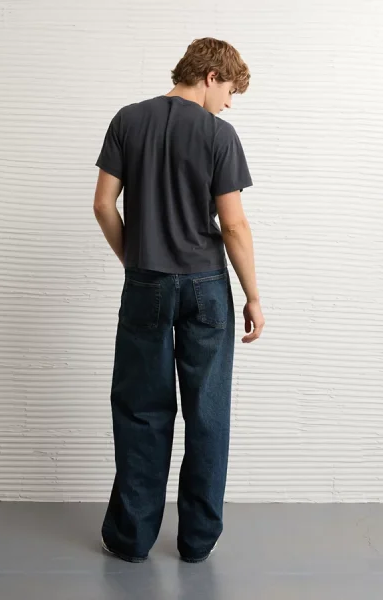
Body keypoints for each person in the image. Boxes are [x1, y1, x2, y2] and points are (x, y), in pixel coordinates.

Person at [93, 37, 265, 564]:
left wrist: (135, 261)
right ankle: (196, 541)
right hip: (205, 286)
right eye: (229, 90)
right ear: (210, 76)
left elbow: (103, 205)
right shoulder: (218, 135)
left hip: (146, 282)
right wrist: (253, 296)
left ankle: (131, 538)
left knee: (141, 410)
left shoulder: (128, 120)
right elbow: (232, 225)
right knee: (208, 413)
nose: (229, 103)